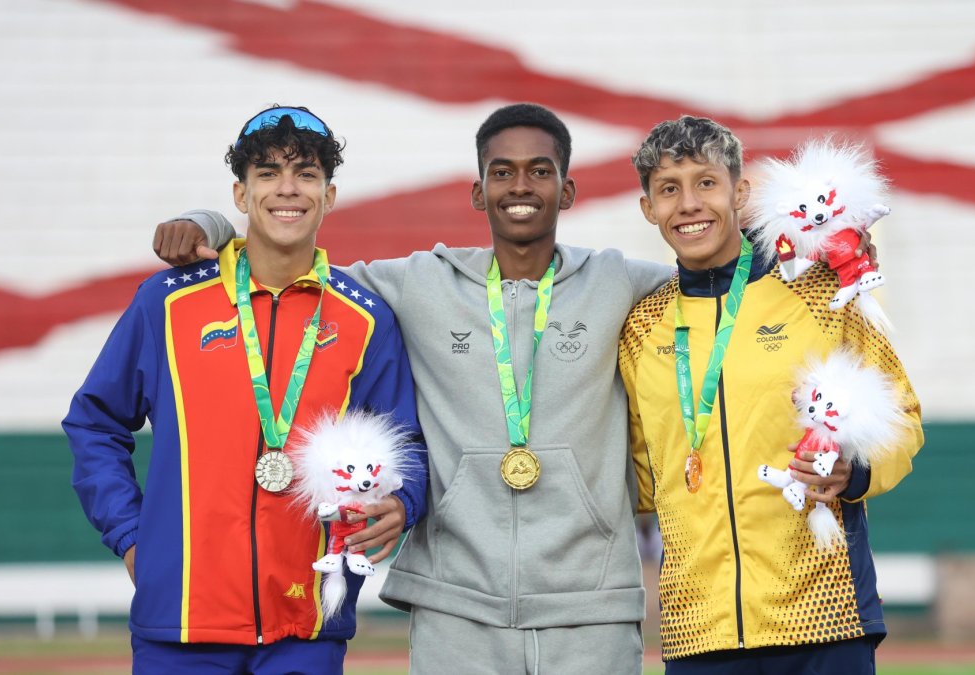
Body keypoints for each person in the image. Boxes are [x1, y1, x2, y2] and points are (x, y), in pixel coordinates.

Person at [156, 103, 677, 674]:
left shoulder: (622, 281)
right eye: (501, 172)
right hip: (453, 605)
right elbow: (288, 258)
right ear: (478, 193)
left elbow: (716, 274)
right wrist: (209, 223)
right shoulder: (418, 282)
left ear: (568, 189)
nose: (520, 186)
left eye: (540, 170)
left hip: (591, 605)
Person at [64, 105, 426, 673]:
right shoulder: (167, 302)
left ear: (329, 196)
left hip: (307, 623)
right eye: (268, 173)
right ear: (240, 194)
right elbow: (95, 423)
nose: (288, 189)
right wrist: (134, 536)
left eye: (306, 174)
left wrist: (404, 501)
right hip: (179, 620)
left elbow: (406, 444)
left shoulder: (366, 319)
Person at [618, 116, 924, 674]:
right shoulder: (641, 327)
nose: (689, 204)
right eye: (669, 189)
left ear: (740, 192)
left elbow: (902, 415)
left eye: (706, 183)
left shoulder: (821, 293)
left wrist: (852, 475)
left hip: (826, 618)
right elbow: (637, 471)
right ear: (648, 209)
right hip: (698, 628)